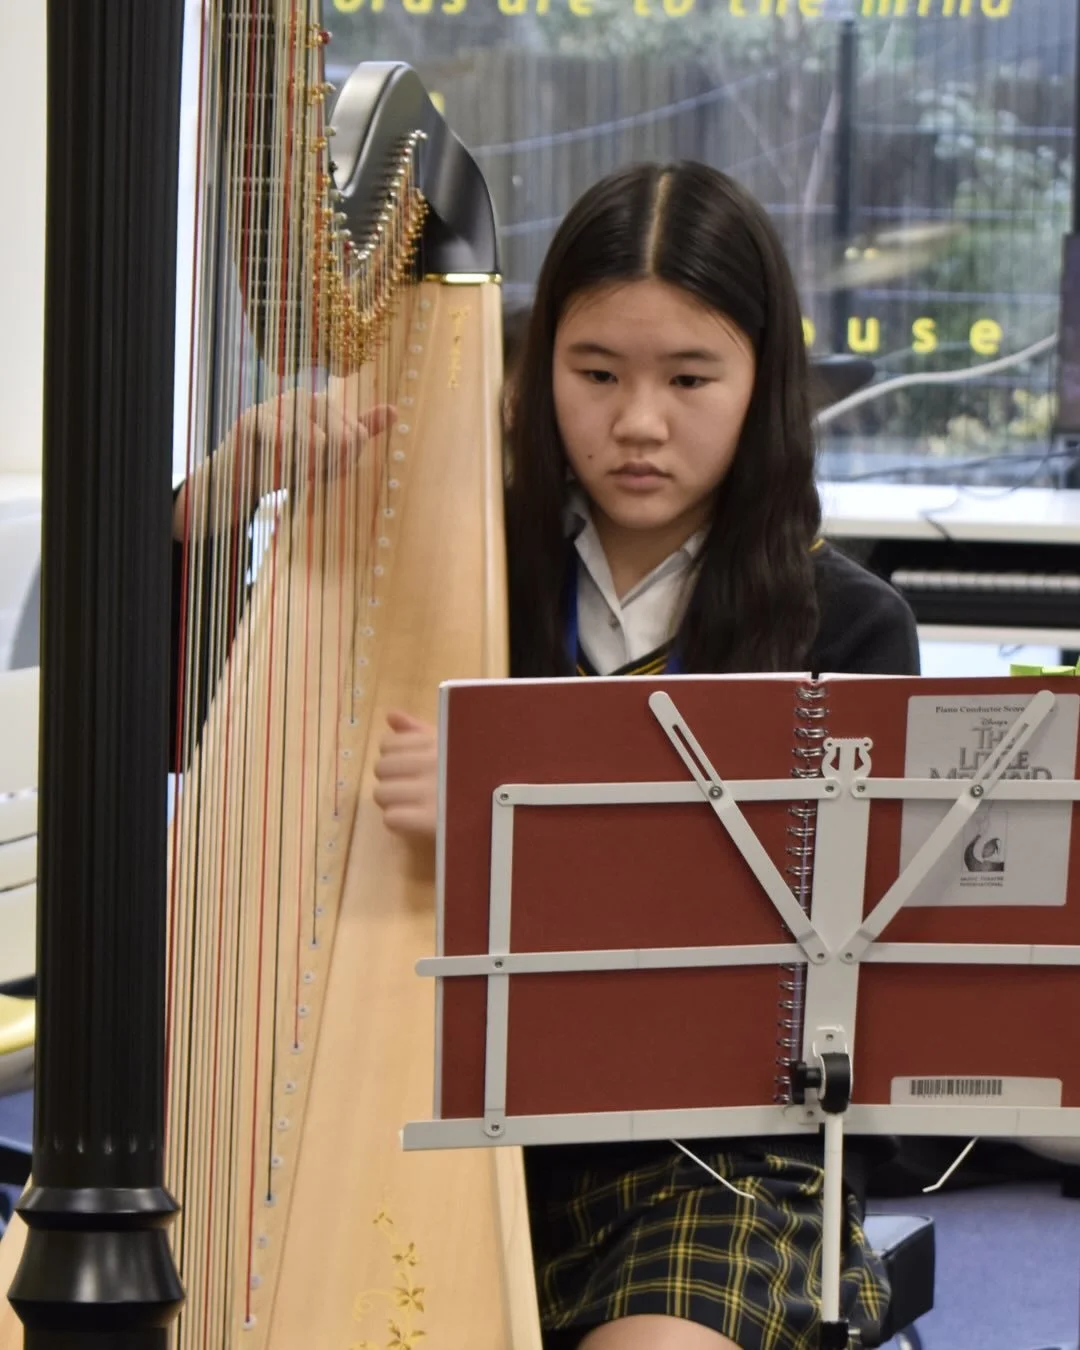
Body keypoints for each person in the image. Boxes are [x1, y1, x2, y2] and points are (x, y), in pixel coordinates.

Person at [372, 161, 920, 1350]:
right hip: (441, 1130)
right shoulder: (456, 578)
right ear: (533, 375)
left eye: (689, 378)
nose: (637, 423)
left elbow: (848, 984)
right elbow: (178, 717)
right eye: (595, 373)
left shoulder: (848, 629)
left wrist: (508, 826)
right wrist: (217, 503)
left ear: (764, 385)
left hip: (720, 1163)